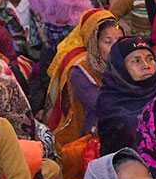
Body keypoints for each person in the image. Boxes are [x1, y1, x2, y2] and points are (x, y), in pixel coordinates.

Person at [45, 9, 124, 151]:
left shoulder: (127, 62)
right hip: (89, 137)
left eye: (120, 40)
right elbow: (101, 104)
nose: (116, 47)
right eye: (108, 41)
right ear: (93, 43)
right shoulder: (79, 70)